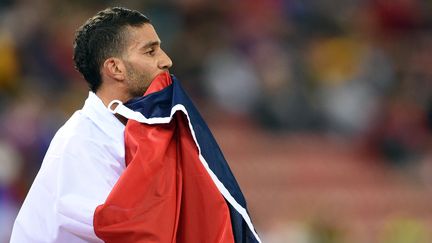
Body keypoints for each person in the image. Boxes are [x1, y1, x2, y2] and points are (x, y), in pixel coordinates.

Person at [10, 7, 172, 242]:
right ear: (115, 68)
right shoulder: (81, 143)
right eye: (150, 51)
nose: (166, 60)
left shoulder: (133, 132)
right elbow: (117, 229)